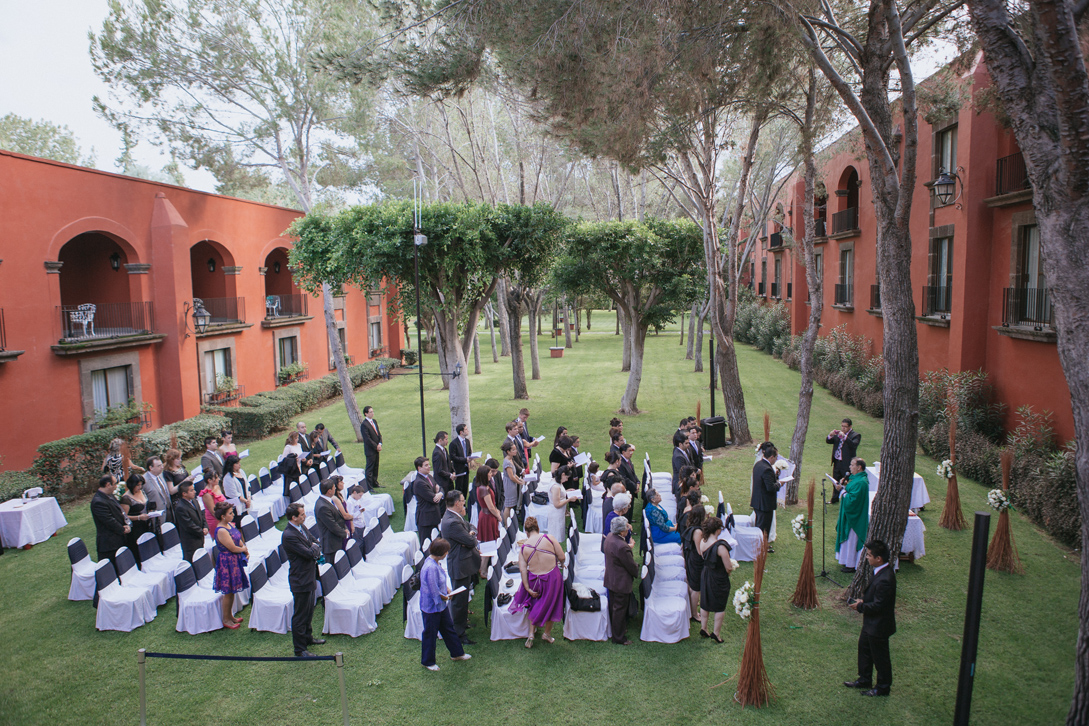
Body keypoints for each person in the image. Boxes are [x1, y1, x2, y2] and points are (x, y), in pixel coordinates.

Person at [845, 539, 897, 697]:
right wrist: (863, 601)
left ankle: (883, 687)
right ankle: (864, 679)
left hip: (879, 626)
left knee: (880, 658)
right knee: (864, 650)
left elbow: (879, 605)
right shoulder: (879, 572)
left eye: (869, 555)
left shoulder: (886, 579)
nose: (867, 557)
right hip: (870, 624)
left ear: (878, 558)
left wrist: (860, 606)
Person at [509, 516, 565, 648]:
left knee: (533, 604)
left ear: (526, 532)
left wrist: (527, 588)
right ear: (538, 528)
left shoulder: (523, 548)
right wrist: (559, 561)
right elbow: (562, 556)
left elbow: (523, 570)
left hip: (534, 581)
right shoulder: (549, 538)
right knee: (553, 604)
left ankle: (531, 634)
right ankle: (547, 633)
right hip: (551, 578)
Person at [419, 538, 470, 670]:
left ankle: (457, 653)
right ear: (440, 553)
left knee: (448, 629)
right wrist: (445, 597)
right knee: (430, 634)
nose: (447, 553)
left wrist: (447, 590)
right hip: (432, 608)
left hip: (440, 606)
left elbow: (439, 582)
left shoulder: (435, 562)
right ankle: (428, 661)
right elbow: (433, 589)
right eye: (446, 551)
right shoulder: (430, 567)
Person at [282, 502, 325, 657]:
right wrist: (313, 548)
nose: (304, 516)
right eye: (301, 514)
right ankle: (300, 649)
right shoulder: (289, 535)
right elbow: (309, 553)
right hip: (300, 579)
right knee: (300, 614)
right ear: (293, 517)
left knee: (309, 610)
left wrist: (313, 547)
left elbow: (316, 542)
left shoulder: (301, 528)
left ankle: (308, 637)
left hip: (309, 574)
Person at [440, 490, 481, 646]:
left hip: (464, 563)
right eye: (463, 501)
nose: (464, 503)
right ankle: (458, 633)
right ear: (457, 503)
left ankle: (462, 624)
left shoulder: (455, 516)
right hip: (459, 565)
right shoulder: (452, 522)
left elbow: (470, 526)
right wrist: (470, 537)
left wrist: (470, 534)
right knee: (459, 601)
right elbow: (471, 541)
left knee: (463, 598)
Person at [212, 501, 249, 629]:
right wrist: (243, 549)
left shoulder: (228, 525)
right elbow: (232, 548)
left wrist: (245, 549)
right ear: (223, 516)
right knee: (228, 592)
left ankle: (230, 616)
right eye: (230, 513)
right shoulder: (221, 530)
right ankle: (226, 619)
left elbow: (238, 539)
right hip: (227, 562)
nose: (233, 515)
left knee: (232, 591)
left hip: (234, 560)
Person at [698, 516, 735, 643]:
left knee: (705, 601)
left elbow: (702, 556)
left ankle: (704, 628)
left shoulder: (703, 541)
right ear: (718, 530)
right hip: (718, 577)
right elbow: (728, 567)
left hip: (706, 574)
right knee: (719, 605)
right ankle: (716, 633)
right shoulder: (720, 546)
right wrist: (730, 569)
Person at [603, 515, 638, 645]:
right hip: (620, 582)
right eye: (626, 527)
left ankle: (616, 630)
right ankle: (618, 637)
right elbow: (630, 565)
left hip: (611, 578)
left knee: (615, 607)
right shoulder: (622, 546)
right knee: (620, 609)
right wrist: (636, 569)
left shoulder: (610, 537)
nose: (628, 529)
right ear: (622, 531)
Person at [835, 457, 870, 573]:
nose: (850, 467)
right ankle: (846, 560)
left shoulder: (861, 482)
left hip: (855, 517)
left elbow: (852, 500)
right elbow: (851, 491)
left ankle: (851, 563)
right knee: (848, 539)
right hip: (850, 514)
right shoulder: (857, 479)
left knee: (851, 540)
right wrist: (845, 486)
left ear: (859, 467)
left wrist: (842, 490)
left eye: (852, 465)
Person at [91, 474, 130, 567]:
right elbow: (108, 521)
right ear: (108, 485)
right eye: (114, 484)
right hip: (109, 544)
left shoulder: (109, 495)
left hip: (118, 539)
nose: (116, 486)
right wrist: (123, 529)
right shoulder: (98, 502)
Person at [750, 442, 780, 551]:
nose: (776, 460)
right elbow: (770, 487)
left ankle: (762, 544)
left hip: (757, 501)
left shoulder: (758, 464)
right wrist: (780, 484)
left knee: (760, 525)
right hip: (765, 504)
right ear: (771, 457)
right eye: (776, 457)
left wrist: (775, 476)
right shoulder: (767, 469)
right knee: (764, 527)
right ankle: (761, 547)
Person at [682, 503, 708, 621]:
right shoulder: (698, 531)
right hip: (696, 561)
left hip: (690, 557)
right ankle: (694, 614)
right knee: (696, 588)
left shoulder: (692, 525)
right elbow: (699, 550)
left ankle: (692, 604)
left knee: (692, 584)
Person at [827, 418, 862, 504]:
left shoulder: (855, 435)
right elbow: (829, 441)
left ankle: (847, 499)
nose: (843, 428)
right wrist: (830, 435)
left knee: (846, 481)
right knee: (836, 480)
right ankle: (834, 499)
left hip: (847, 463)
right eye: (842, 426)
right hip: (837, 461)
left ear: (850, 426)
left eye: (845, 427)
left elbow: (853, 445)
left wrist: (845, 437)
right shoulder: (839, 434)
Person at [119, 474, 153, 559]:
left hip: (146, 524)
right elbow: (124, 516)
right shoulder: (126, 498)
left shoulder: (142, 492)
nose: (140, 487)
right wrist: (138, 517)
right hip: (136, 528)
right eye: (137, 485)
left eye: (141, 485)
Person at [544, 464, 580, 543]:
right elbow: (557, 504)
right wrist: (569, 499)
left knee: (558, 536)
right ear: (563, 474)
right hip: (556, 514)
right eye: (566, 477)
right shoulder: (555, 487)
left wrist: (567, 491)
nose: (566, 480)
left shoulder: (557, 481)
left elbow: (559, 495)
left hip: (559, 513)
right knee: (556, 538)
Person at [412, 456, 444, 544]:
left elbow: (440, 488)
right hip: (426, 519)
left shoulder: (429, 476)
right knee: (426, 544)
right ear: (419, 468)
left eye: (428, 465)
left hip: (433, 516)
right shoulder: (419, 483)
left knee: (436, 542)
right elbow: (434, 499)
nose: (429, 466)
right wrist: (438, 493)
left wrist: (440, 493)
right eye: (426, 465)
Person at [315, 478, 347, 561]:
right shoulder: (323, 507)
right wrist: (344, 533)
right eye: (334, 487)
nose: (335, 488)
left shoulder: (327, 501)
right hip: (331, 545)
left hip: (335, 541)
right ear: (329, 491)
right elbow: (332, 525)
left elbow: (337, 518)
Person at [175, 482, 207, 562]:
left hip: (199, 537)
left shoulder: (194, 501)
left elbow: (201, 515)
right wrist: (201, 531)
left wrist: (205, 527)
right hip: (190, 541)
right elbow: (188, 525)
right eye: (191, 490)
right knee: (192, 561)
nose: (195, 492)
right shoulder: (180, 507)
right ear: (184, 494)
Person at [143, 456, 177, 524]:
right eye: (159, 466)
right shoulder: (144, 481)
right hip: (157, 516)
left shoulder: (161, 475)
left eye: (162, 465)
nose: (162, 467)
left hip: (169, 510)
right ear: (151, 468)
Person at [474, 464, 502, 544]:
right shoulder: (484, 489)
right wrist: (498, 516)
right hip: (488, 517)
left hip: (488, 515)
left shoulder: (483, 486)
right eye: (489, 473)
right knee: (490, 541)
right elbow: (490, 507)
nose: (491, 475)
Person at [500, 440, 524, 523]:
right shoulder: (507, 462)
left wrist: (519, 479)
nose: (515, 451)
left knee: (511, 505)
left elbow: (514, 474)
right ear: (508, 451)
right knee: (508, 506)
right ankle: (506, 524)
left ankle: (510, 521)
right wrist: (519, 482)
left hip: (512, 485)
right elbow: (511, 477)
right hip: (509, 485)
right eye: (513, 450)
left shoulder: (511, 459)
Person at [361, 405, 383, 488]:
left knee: (376, 466)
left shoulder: (374, 421)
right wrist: (376, 446)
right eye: (370, 412)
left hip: (376, 448)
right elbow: (367, 439)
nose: (372, 413)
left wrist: (380, 443)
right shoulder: (364, 425)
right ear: (366, 414)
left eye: (372, 411)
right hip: (370, 450)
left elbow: (378, 434)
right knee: (370, 468)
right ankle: (369, 486)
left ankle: (375, 483)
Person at [450, 423, 472, 497]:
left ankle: (464, 501)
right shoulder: (454, 443)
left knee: (465, 487)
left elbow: (469, 452)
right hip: (459, 469)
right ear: (461, 432)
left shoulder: (467, 441)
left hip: (466, 468)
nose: (467, 431)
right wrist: (465, 459)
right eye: (466, 429)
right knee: (459, 487)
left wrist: (470, 458)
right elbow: (453, 457)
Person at [585, 463, 606, 534]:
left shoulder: (593, 474)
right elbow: (594, 483)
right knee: (604, 488)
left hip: (595, 485)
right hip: (595, 487)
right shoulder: (593, 476)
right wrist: (600, 480)